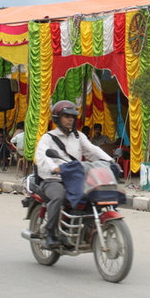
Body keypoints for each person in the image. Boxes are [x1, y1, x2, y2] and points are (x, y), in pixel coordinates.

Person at [35, 100, 113, 247]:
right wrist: (54, 167)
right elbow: (42, 156)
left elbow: (93, 150)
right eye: (66, 116)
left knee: (93, 195)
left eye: (72, 116)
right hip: (54, 179)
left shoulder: (79, 137)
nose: (70, 119)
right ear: (57, 118)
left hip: (74, 178)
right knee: (59, 196)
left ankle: (82, 228)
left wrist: (110, 161)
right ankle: (50, 233)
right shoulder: (48, 138)